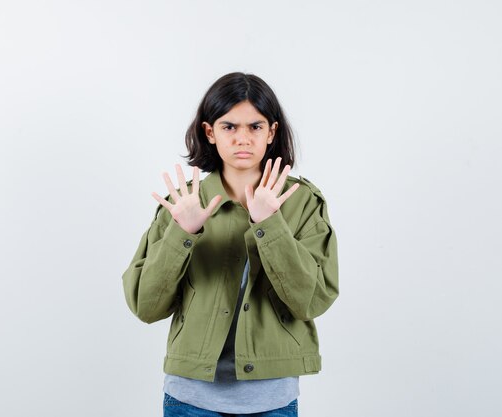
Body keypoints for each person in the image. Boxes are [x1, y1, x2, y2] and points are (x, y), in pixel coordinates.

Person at [122, 72, 339, 417]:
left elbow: (311, 300)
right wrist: (183, 232)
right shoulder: (183, 204)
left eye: (255, 126)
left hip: (272, 399)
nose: (243, 138)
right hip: (190, 399)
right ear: (210, 132)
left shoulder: (302, 203)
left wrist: (269, 224)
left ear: (272, 132)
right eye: (229, 126)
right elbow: (146, 306)